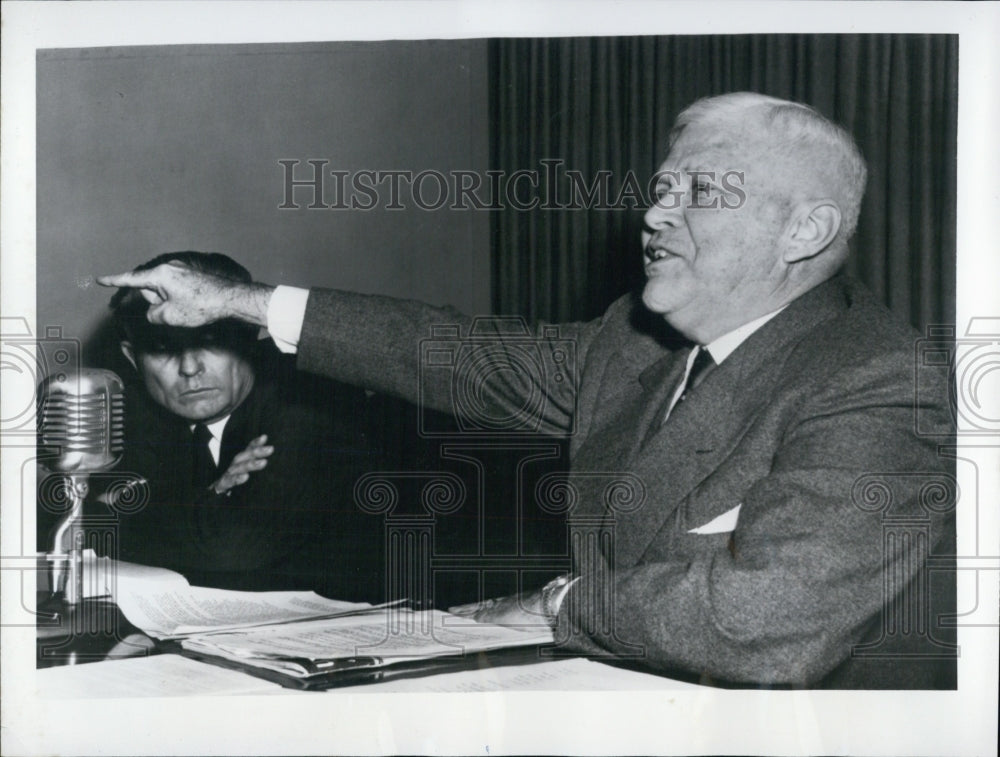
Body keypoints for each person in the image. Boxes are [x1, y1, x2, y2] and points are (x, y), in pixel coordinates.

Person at [98, 93, 955, 688]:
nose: (655, 215)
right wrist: (243, 302)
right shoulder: (636, 343)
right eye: (659, 190)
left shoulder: (878, 380)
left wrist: (557, 602)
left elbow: (769, 619)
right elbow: (459, 354)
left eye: (698, 193)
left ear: (805, 230)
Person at [96, 251, 384, 600]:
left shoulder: (310, 396)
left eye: (210, 340)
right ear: (132, 359)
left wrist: (171, 510)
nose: (189, 368)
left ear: (249, 337)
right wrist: (213, 497)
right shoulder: (130, 413)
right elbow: (82, 526)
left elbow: (232, 550)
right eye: (161, 347)